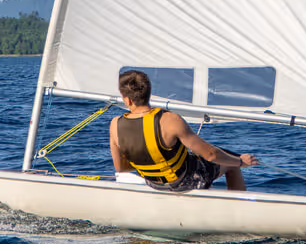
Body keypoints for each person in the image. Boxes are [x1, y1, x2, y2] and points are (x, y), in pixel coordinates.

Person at [110, 69, 258, 191]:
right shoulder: (170, 120)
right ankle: (236, 213)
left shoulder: (115, 125)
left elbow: (121, 167)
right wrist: (240, 161)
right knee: (230, 160)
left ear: (128, 100)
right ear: (149, 93)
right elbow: (211, 154)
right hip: (186, 181)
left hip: (153, 184)